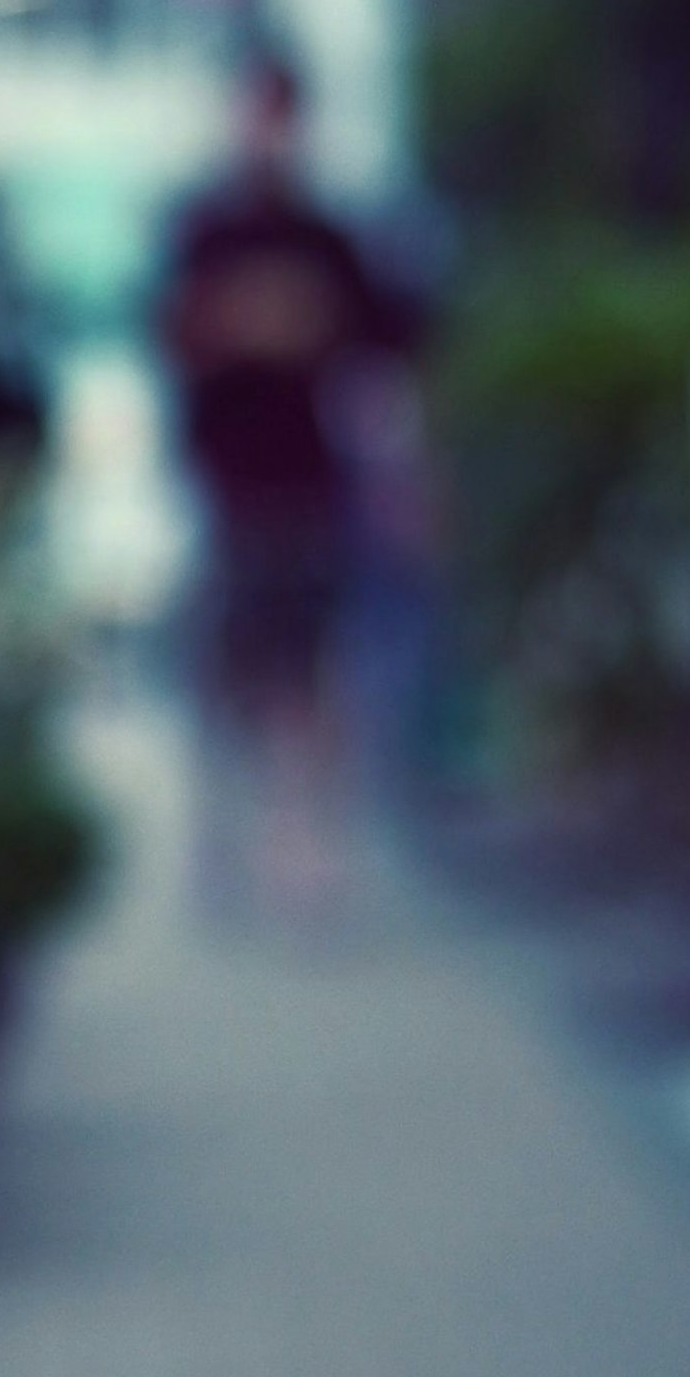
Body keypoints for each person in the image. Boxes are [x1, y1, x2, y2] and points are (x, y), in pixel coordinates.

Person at [157, 51, 418, 904]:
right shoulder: (203, 228)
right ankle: (224, 842)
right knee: (230, 668)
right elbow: (171, 335)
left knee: (310, 668)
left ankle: (301, 848)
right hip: (227, 481)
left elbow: (384, 350)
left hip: (310, 477)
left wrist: (405, 474)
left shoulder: (326, 235)